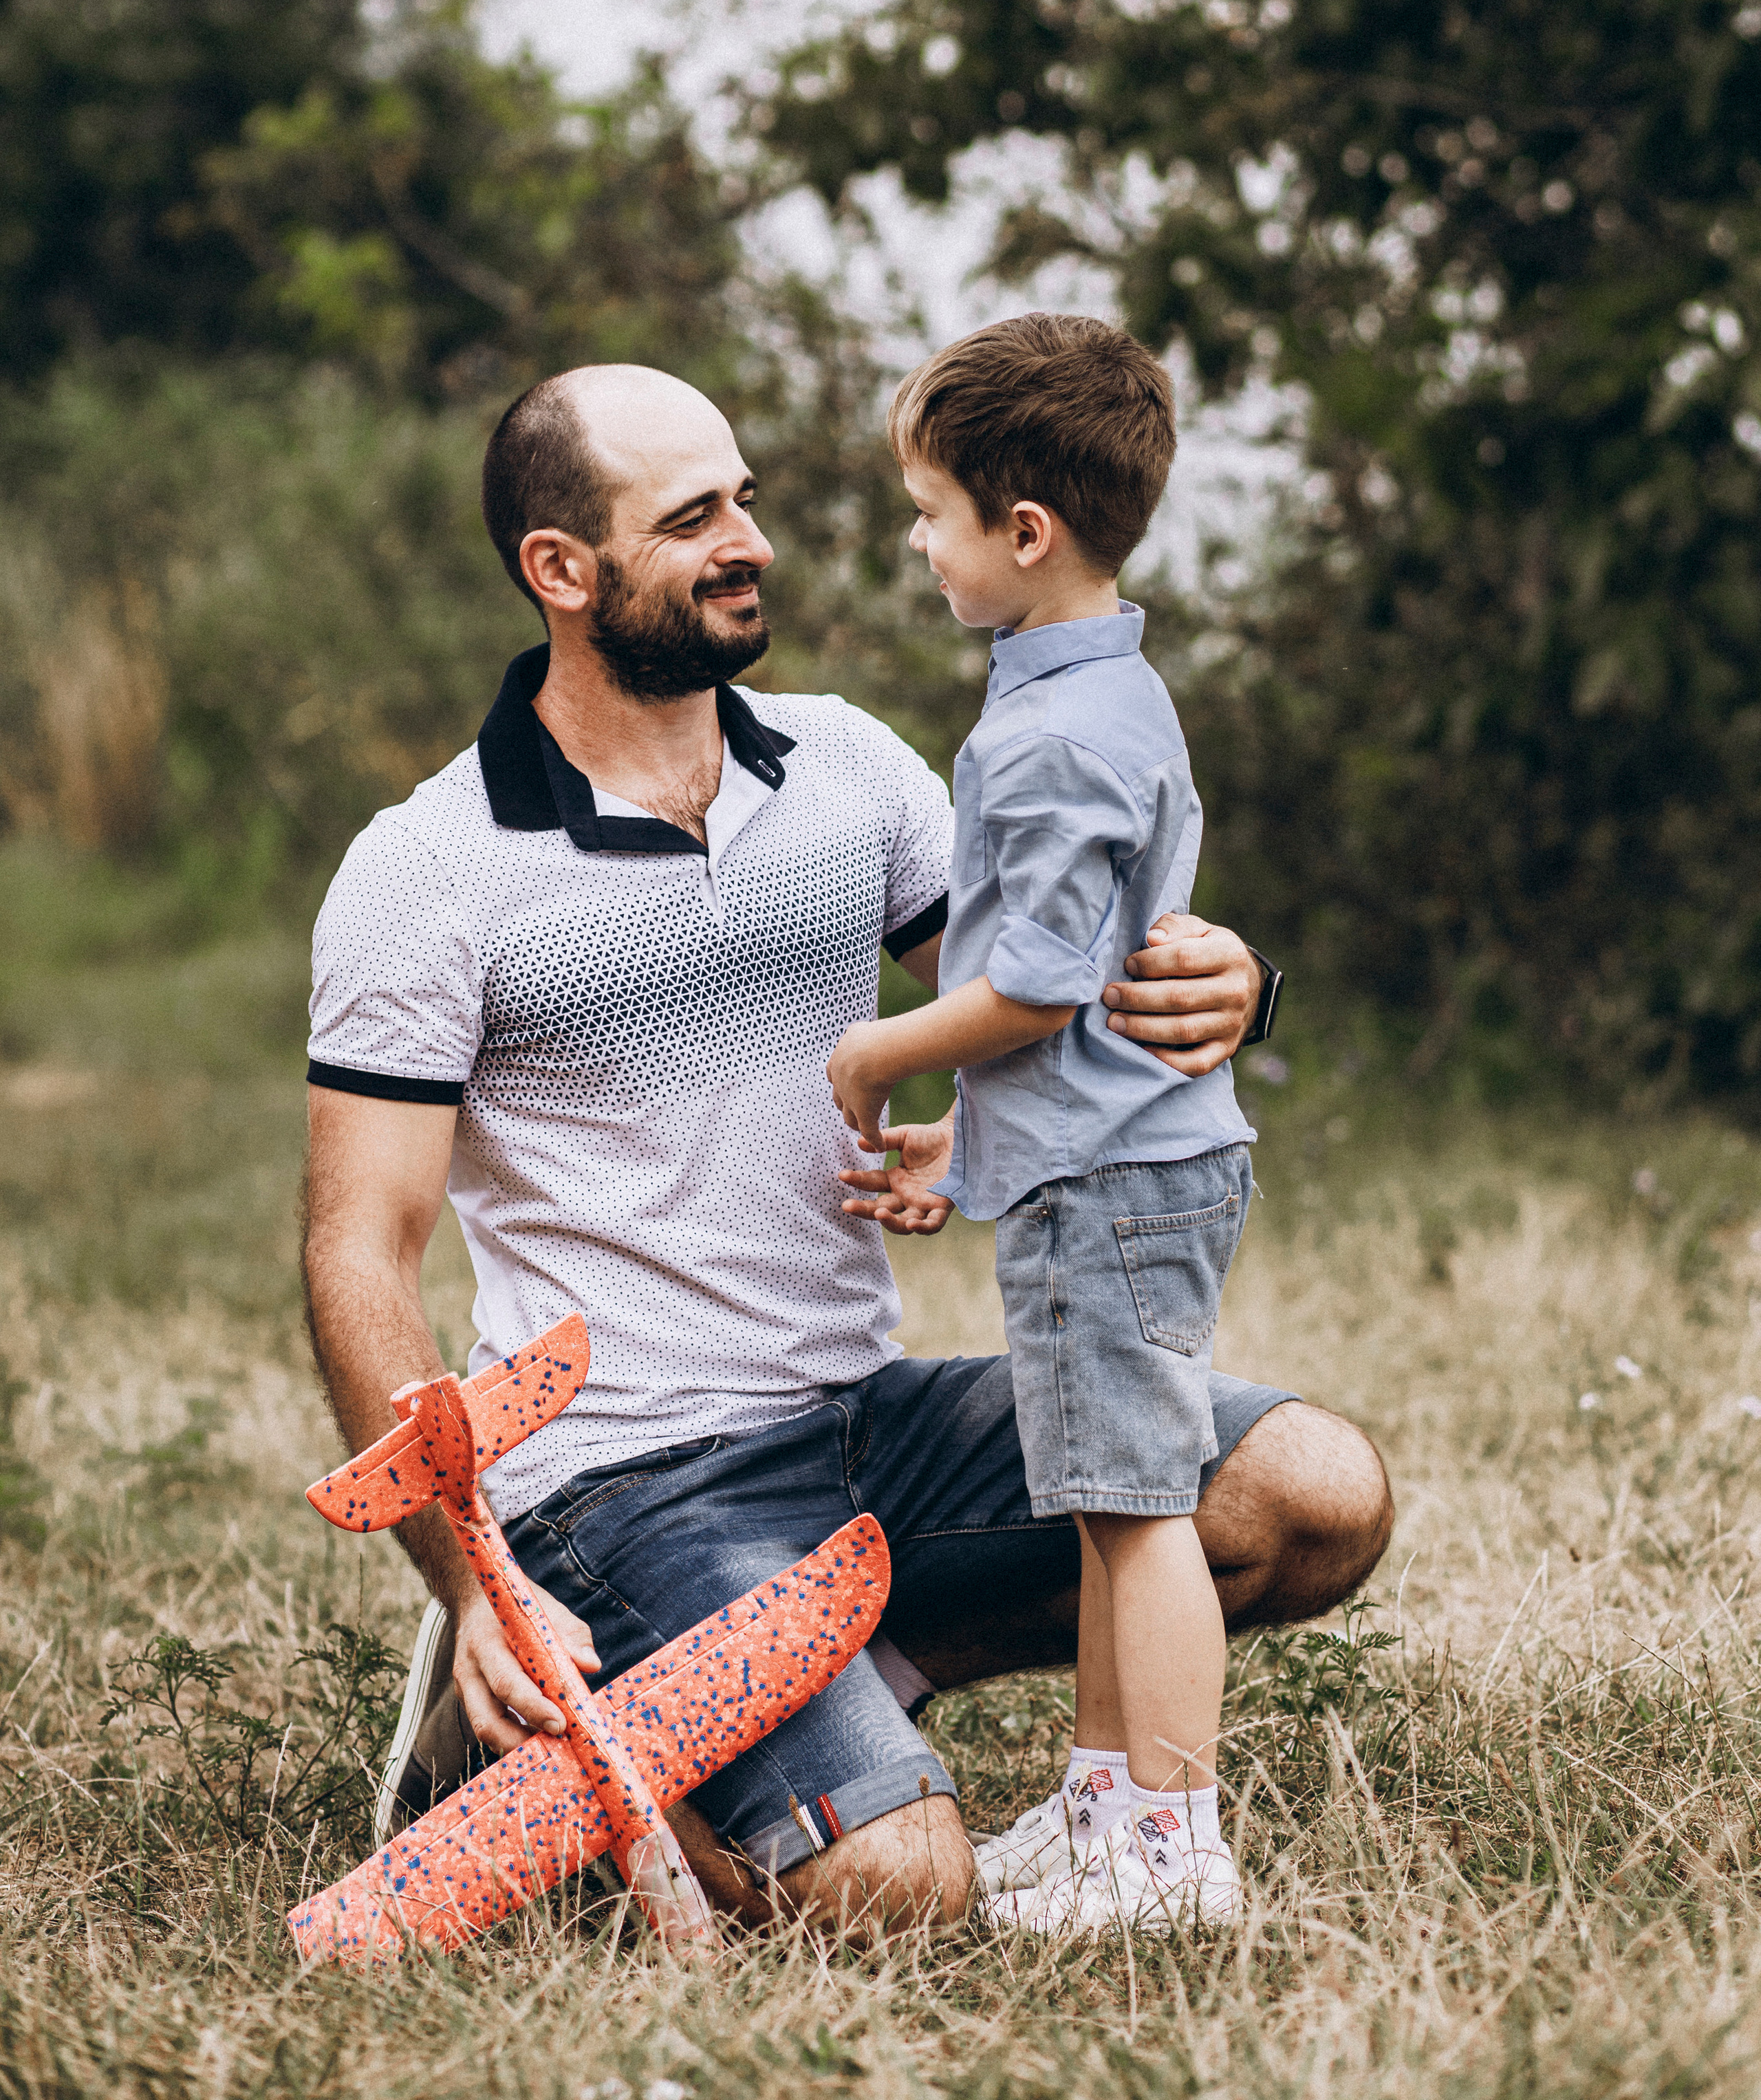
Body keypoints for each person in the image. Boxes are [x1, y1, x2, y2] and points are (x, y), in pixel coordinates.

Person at [300, 360, 1392, 1938]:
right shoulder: (430, 868)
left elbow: (1049, 980)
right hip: (626, 1482)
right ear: (562, 570)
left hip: (869, 1430)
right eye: (692, 519)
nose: (748, 539)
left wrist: (1239, 981)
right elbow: (360, 1247)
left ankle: (861, 1672)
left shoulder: (843, 767)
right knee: (899, 1890)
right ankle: (531, 1736)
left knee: (1311, 1494)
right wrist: (473, 1585)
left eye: (743, 498)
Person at [829, 312, 1257, 1934]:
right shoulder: (1090, 692)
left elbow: (1037, 983)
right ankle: (1102, 1810)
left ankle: (1162, 1845)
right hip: (1101, 1159)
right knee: (1099, 1493)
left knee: (1140, 1513)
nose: (913, 540)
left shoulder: (1055, 730)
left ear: (1025, 531)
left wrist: (883, 1053)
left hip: (1121, 1181)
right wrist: (980, 1141)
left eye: (930, 512)